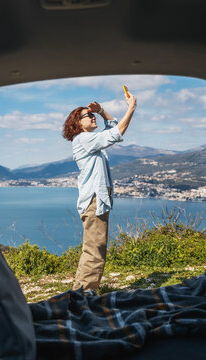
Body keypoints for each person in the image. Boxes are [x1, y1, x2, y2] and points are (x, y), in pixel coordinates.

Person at [62, 91, 137, 292]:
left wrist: (102, 111)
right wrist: (131, 108)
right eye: (88, 115)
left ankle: (82, 292)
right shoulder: (83, 139)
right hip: (94, 200)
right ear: (77, 123)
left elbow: (112, 128)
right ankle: (84, 294)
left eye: (92, 114)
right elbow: (118, 132)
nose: (92, 117)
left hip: (97, 200)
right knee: (95, 250)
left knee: (94, 248)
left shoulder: (89, 140)